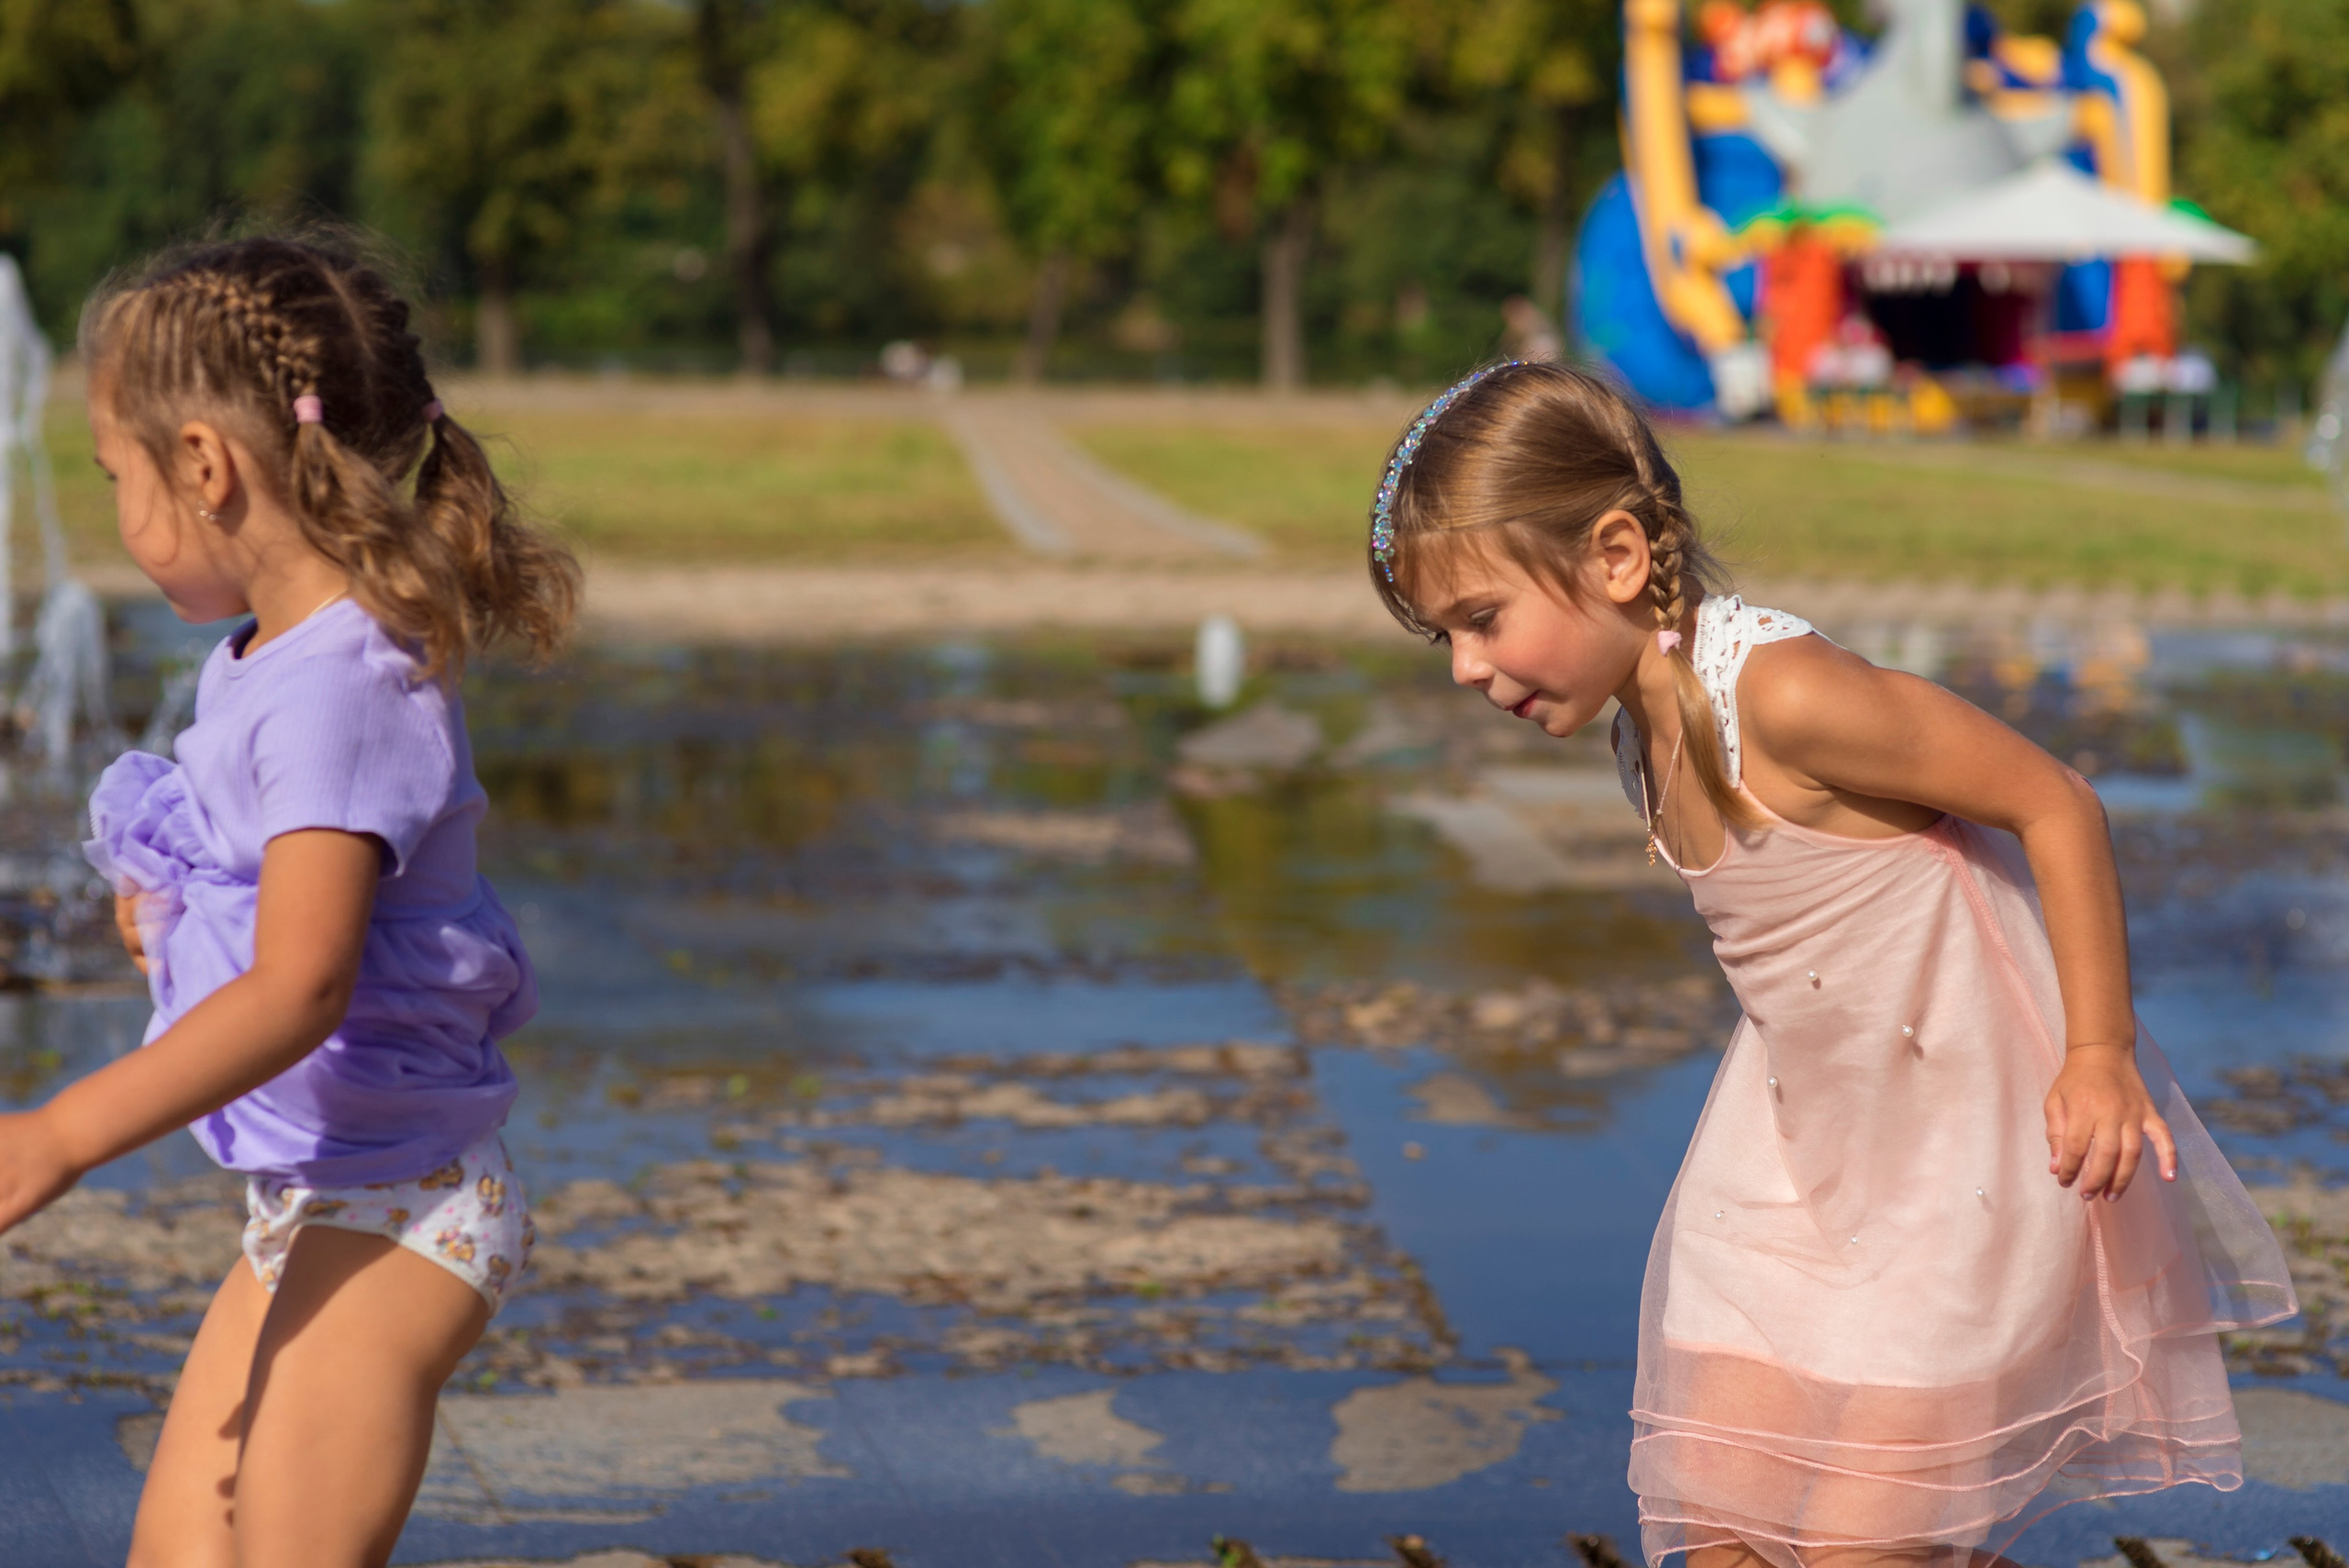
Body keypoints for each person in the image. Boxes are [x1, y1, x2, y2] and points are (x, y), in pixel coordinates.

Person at [1367, 360, 2295, 1567]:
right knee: (1727, 1529)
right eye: (1444, 634)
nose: (1462, 665)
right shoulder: (1638, 731)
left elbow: (2056, 802)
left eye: (1481, 618)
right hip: (1796, 1158)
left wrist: (2101, 1051)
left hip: (1967, 1157)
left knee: (1876, 1534)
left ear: (1615, 558)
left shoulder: (1788, 695)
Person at [0, 235, 578, 1567]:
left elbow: (303, 982)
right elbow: (275, 901)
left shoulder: (341, 686)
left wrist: (61, 1133)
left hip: (405, 1211)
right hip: (312, 1204)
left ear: (204, 465)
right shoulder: (267, 659)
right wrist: (172, 923)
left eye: (114, 479)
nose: (114, 514)